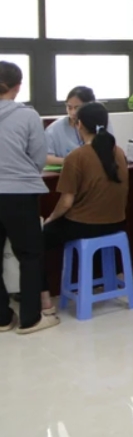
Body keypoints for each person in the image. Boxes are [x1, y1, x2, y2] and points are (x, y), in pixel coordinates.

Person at [39, 103, 128, 315]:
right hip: (117, 223)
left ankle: (44, 300)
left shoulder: (76, 157)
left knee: (35, 243)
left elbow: (66, 203)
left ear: (79, 125)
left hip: (85, 225)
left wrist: (50, 218)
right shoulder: (119, 153)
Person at [0, 61, 51, 334]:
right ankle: (30, 319)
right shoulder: (28, 116)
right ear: (18, 86)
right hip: (19, 193)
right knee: (29, 255)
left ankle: (2, 318)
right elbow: (39, 158)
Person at [45, 86, 113, 166]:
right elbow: (46, 157)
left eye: (77, 108)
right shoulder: (54, 129)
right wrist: (73, 161)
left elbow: (110, 151)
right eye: (69, 107)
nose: (73, 112)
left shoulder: (102, 123)